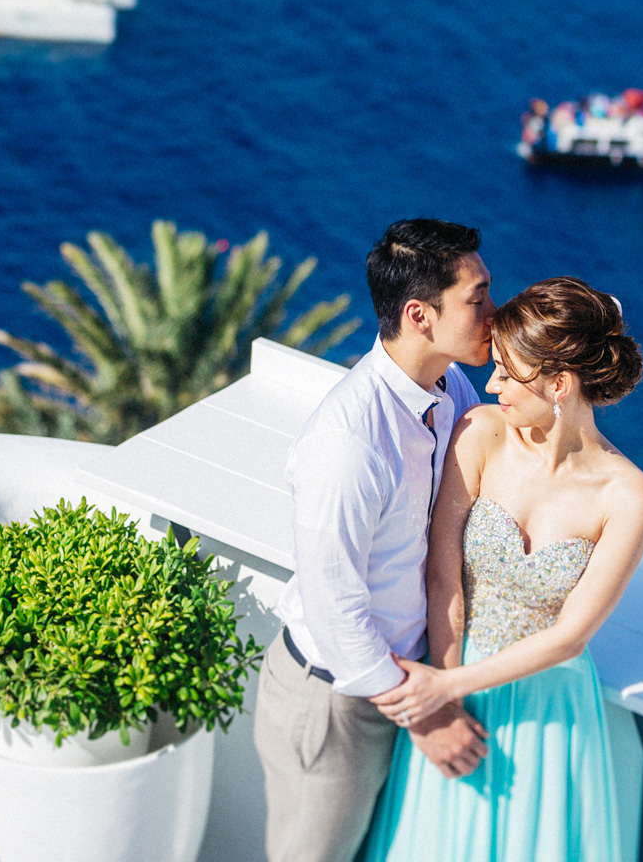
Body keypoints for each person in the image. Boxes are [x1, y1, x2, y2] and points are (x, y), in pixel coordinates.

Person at [360, 278, 643, 862]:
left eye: (506, 372)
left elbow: (572, 636)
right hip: (454, 679)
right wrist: (445, 703)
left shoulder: (629, 496)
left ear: (559, 384)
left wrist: (446, 688)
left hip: (548, 714)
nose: (490, 384)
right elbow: (443, 579)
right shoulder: (482, 435)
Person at [253, 219, 497, 862]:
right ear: (420, 315)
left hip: (393, 685)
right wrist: (426, 714)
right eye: (478, 299)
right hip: (334, 701)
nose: (494, 315)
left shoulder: (449, 390)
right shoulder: (350, 442)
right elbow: (336, 609)